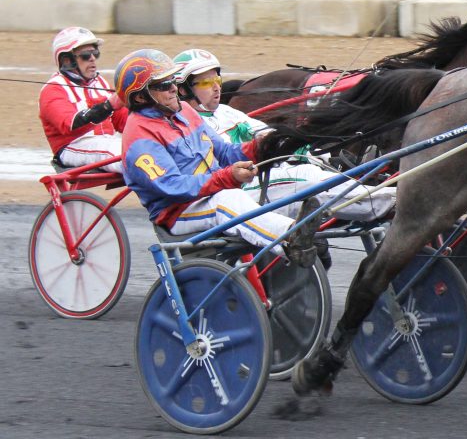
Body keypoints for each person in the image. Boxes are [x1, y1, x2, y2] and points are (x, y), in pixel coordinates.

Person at [115, 48, 318, 267]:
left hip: (211, 194)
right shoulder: (139, 139)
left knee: (261, 192)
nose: (174, 88)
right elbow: (173, 186)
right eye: (164, 85)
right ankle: (290, 239)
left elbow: (223, 151)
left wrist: (263, 147)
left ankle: (294, 239)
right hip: (178, 212)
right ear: (140, 96)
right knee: (228, 201)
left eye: (173, 80)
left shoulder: (185, 111)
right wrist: (227, 177)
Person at [172, 48, 396, 222]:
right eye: (205, 83)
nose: (216, 88)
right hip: (236, 192)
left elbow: (268, 136)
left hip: (265, 179)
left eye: (217, 80)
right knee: (306, 176)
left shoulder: (227, 111)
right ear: (183, 89)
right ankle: (393, 201)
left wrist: (316, 154)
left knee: (321, 168)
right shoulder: (186, 123)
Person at [39, 27, 127, 173]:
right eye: (86, 55)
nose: (92, 58)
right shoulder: (53, 89)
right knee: (128, 154)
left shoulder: (101, 83)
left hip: (105, 143)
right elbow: (70, 125)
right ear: (67, 60)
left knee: (148, 146)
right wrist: (108, 106)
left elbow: (123, 120)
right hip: (73, 147)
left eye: (95, 53)